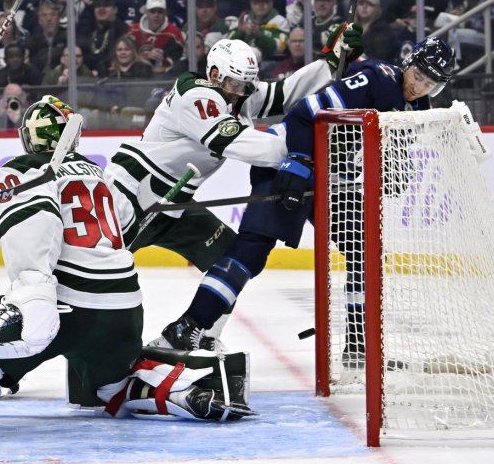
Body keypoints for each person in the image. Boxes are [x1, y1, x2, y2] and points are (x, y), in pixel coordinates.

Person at [0, 96, 254, 442]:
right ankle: (195, 389)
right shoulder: (98, 175)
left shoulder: (24, 168)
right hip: (124, 311)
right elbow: (119, 233)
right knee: (114, 384)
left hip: (64, 308)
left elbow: (36, 227)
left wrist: (31, 294)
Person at [161, 37, 456, 362]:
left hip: (334, 179)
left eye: (430, 84)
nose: (419, 87)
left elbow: (392, 152)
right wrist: (299, 160)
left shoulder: (418, 108)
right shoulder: (377, 80)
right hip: (288, 161)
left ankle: (359, 347)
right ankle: (188, 325)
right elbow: (306, 113)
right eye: (418, 76)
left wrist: (397, 169)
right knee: (253, 250)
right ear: (407, 64)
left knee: (365, 251)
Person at [104, 26, 364, 348]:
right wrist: (308, 148)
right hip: (131, 195)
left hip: (173, 205)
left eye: (246, 86)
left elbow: (284, 92)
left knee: (229, 257)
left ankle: (199, 338)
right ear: (214, 74)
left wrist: (330, 61)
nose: (241, 93)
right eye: (235, 85)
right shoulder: (195, 95)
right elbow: (243, 144)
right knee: (100, 272)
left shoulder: (238, 92)